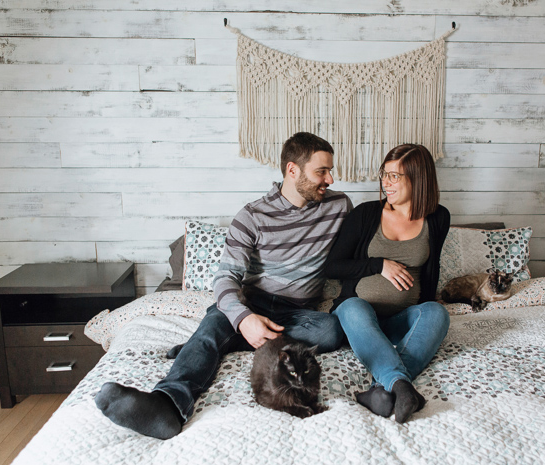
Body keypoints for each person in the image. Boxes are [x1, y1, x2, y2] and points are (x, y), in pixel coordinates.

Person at [95, 132, 353, 439]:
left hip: (299, 313)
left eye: (330, 171)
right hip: (253, 304)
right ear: (292, 170)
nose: (331, 179)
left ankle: (224, 343)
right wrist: (244, 320)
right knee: (215, 324)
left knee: (331, 331)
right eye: (321, 172)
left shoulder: (338, 207)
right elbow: (225, 278)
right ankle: (167, 403)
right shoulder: (252, 216)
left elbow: (365, 241)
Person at [325, 143, 451, 424]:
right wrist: (379, 264)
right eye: (385, 174)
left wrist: (426, 316)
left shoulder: (438, 217)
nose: (386, 182)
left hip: (400, 324)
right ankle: (399, 387)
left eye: (395, 176)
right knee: (353, 306)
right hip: (358, 321)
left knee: (437, 312)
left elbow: (432, 270)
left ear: (418, 179)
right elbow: (331, 267)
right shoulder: (365, 214)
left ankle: (382, 392)